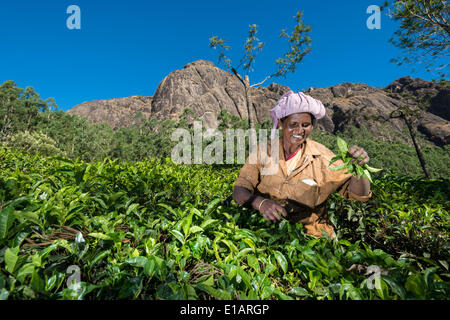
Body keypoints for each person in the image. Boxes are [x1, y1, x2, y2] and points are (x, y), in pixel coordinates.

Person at [233, 90, 372, 238]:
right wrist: (260, 203)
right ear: (280, 124)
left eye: (305, 125)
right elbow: (240, 189)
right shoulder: (263, 151)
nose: (299, 131)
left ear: (312, 126)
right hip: (267, 233)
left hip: (313, 238)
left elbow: (359, 195)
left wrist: (359, 168)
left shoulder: (323, 156)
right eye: (293, 124)